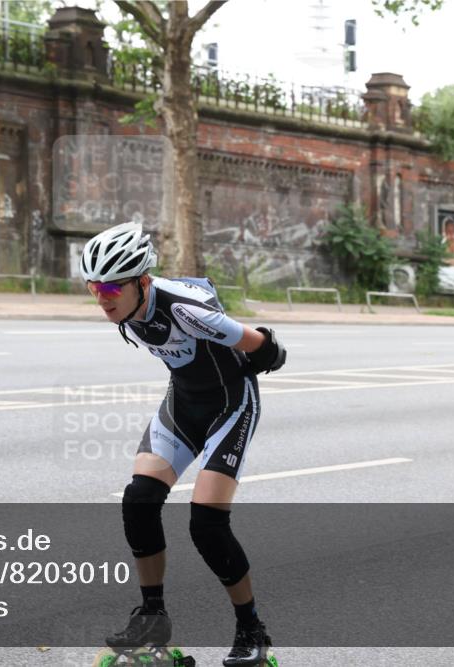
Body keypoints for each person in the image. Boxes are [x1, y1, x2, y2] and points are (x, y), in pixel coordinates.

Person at [80, 221, 286, 667]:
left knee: (206, 524)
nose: (102, 298)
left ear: (142, 280)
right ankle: (153, 617)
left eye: (113, 289)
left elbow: (260, 347)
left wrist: (270, 348)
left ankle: (252, 629)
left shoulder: (186, 309)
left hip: (230, 404)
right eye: (94, 287)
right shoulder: (127, 312)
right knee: (139, 500)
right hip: (184, 404)